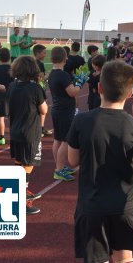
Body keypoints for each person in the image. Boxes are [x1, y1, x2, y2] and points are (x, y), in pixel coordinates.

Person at [68, 60, 133, 263]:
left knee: (97, 259)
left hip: (91, 204)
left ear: (99, 88)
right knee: (124, 258)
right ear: (131, 93)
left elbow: (72, 161)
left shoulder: (81, 121)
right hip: (123, 205)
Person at [7, 56, 48, 215]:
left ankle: (20, 193)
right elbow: (44, 110)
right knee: (27, 165)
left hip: (15, 130)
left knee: (19, 162)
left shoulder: (11, 85)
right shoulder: (35, 88)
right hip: (30, 132)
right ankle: (21, 199)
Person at [48, 46, 85, 181]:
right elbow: (72, 92)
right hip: (65, 111)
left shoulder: (52, 73)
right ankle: (59, 170)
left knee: (58, 139)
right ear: (65, 58)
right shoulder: (62, 75)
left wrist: (75, 82)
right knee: (65, 140)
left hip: (57, 110)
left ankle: (60, 165)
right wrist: (80, 83)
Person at [0, 48, 14, 146]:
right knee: (13, 117)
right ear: (9, 57)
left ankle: (1, 137)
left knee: (0, 118)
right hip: (12, 95)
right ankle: (14, 136)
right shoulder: (12, 69)